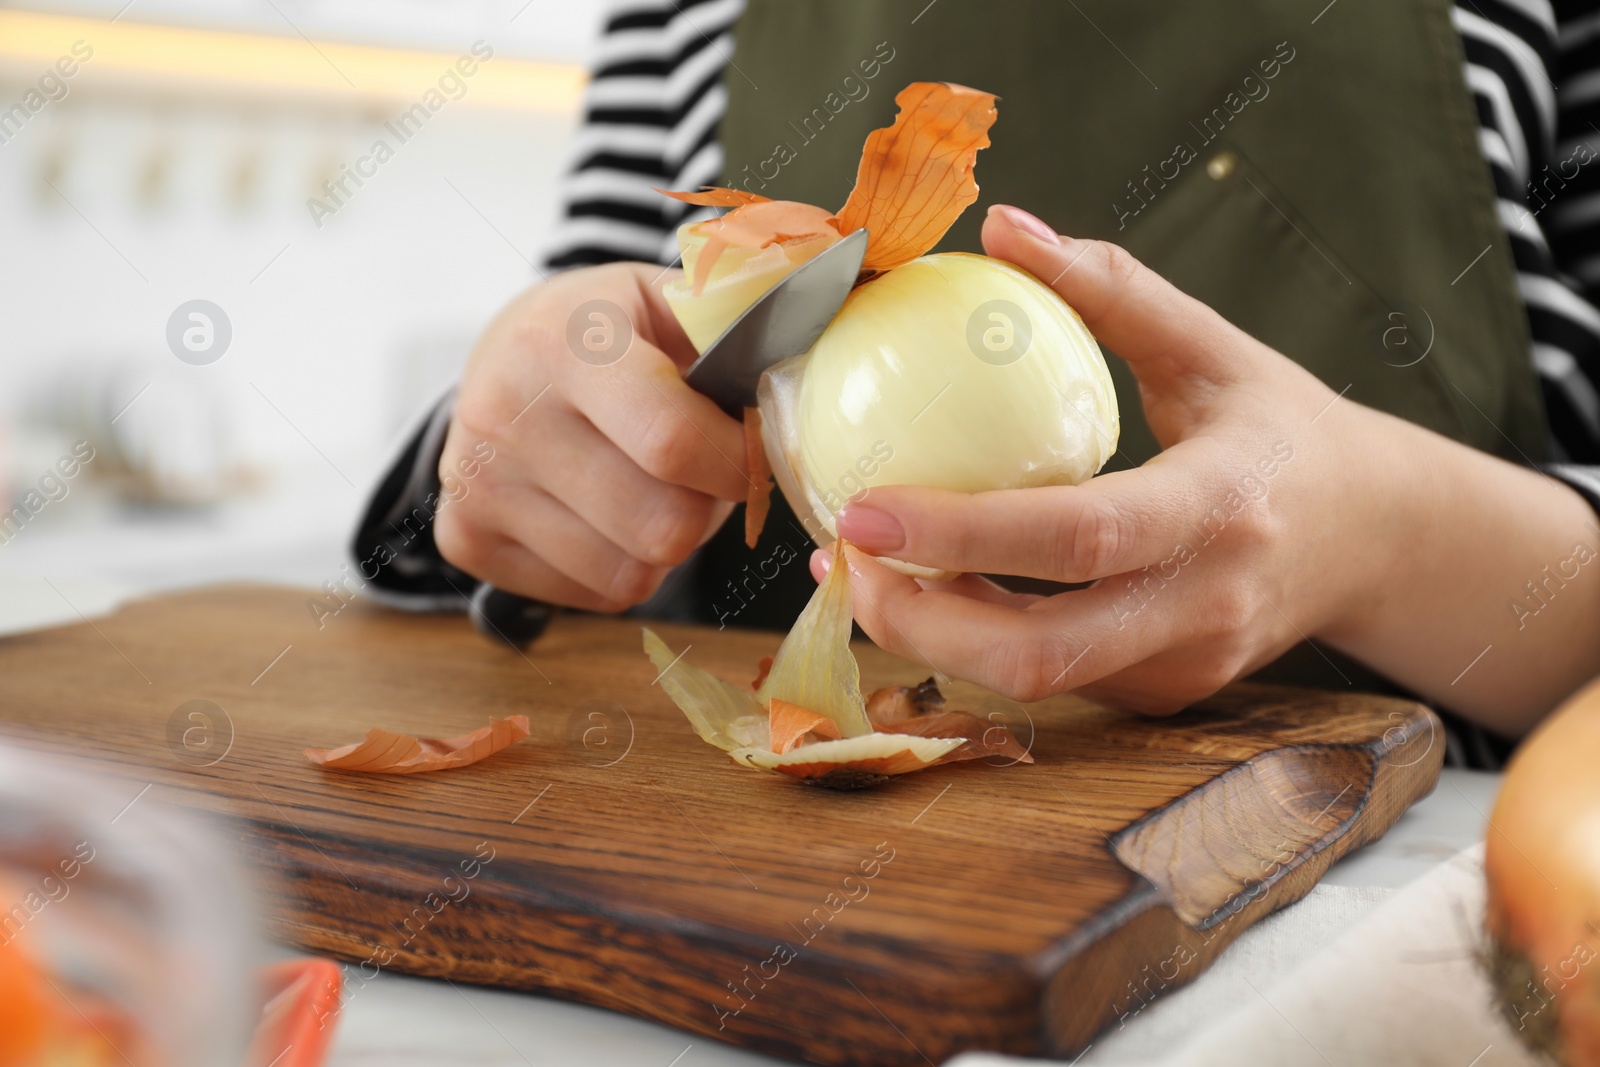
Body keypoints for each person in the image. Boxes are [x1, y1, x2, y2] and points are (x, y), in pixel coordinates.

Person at [354, 0, 1600, 766]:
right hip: (794, 886)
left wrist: (1378, 533)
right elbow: (597, 367)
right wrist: (522, 422)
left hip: (1443, 908)